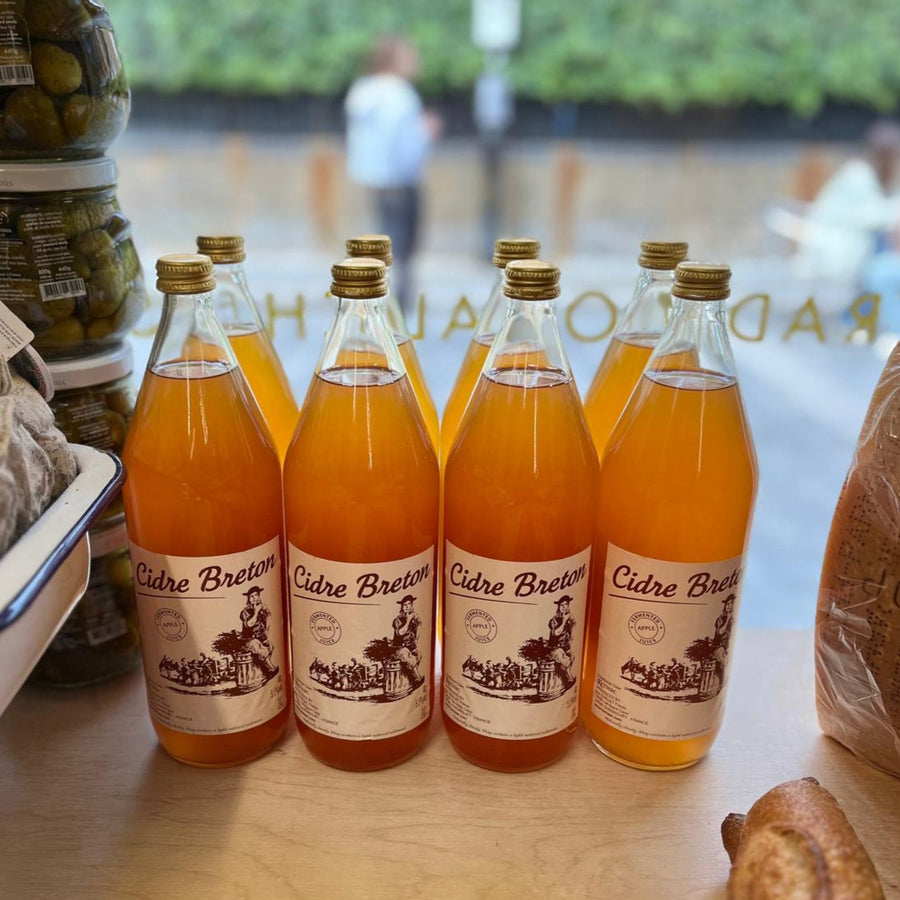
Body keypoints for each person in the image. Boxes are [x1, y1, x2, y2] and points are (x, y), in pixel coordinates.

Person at [344, 35, 442, 313]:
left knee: (383, 236)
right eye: (410, 56)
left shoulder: (364, 90)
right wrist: (426, 133)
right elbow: (405, 145)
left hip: (374, 177)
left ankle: (374, 296)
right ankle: (395, 305)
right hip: (400, 177)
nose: (416, 62)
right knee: (404, 244)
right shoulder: (400, 95)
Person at [794, 121, 900, 331]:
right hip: (836, 255)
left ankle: (857, 321)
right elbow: (879, 217)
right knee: (882, 272)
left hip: (855, 253)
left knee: (884, 268)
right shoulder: (858, 175)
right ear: (884, 154)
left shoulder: (871, 176)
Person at [239, 585, 277, 678]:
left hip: (260, 637)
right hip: (248, 640)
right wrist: (256, 612)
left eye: (256, 595)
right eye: (251, 596)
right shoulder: (246, 611)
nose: (254, 598)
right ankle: (271, 669)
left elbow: (269, 616)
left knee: (270, 646)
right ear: (248, 599)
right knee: (258, 646)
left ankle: (264, 669)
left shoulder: (262, 608)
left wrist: (266, 631)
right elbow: (249, 624)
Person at [391, 594, 422, 686]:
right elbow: (401, 632)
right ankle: (418, 679)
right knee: (409, 658)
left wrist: (416, 639)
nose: (408, 606)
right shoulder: (398, 619)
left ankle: (411, 678)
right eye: (405, 605)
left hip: (409, 646)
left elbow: (419, 626)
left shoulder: (414, 617)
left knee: (419, 655)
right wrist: (408, 621)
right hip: (398, 647)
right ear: (402, 607)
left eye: (409, 604)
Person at [547, 595, 576, 687]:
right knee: (564, 659)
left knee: (572, 656)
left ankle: (565, 681)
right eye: (561, 605)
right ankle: (570, 679)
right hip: (554, 648)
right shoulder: (555, 619)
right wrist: (564, 621)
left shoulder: (571, 618)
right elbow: (556, 633)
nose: (564, 607)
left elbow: (572, 633)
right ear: (558, 607)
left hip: (565, 647)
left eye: (566, 604)